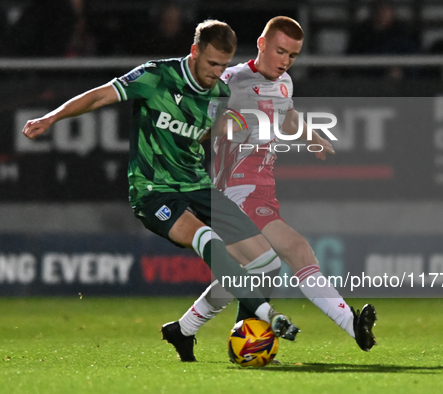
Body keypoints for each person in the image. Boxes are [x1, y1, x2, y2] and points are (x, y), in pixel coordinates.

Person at [22, 19, 300, 346]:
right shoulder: (156, 76)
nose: (217, 72)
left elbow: (201, 130)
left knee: (266, 262)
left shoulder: (220, 93)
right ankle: (268, 317)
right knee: (205, 237)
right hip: (154, 191)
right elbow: (99, 97)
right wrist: (51, 117)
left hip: (197, 186)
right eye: (212, 63)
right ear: (194, 51)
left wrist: (230, 127)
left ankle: (197, 334)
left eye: (224, 65)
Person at [161, 16, 377, 363]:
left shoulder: (285, 82)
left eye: (292, 55)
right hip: (235, 190)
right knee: (295, 250)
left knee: (250, 273)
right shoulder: (230, 81)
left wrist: (312, 137)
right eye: (280, 52)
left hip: (263, 189)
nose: (285, 61)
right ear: (261, 45)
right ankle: (351, 324)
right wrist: (225, 126)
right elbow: (195, 127)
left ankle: (183, 329)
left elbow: (285, 112)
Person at [346, 0, 418, 78]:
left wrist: (401, 72)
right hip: (366, 81)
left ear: (392, 12)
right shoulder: (361, 35)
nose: (382, 13)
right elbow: (351, 60)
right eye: (379, 9)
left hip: (397, 85)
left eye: (386, 9)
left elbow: (414, 63)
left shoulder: (402, 34)